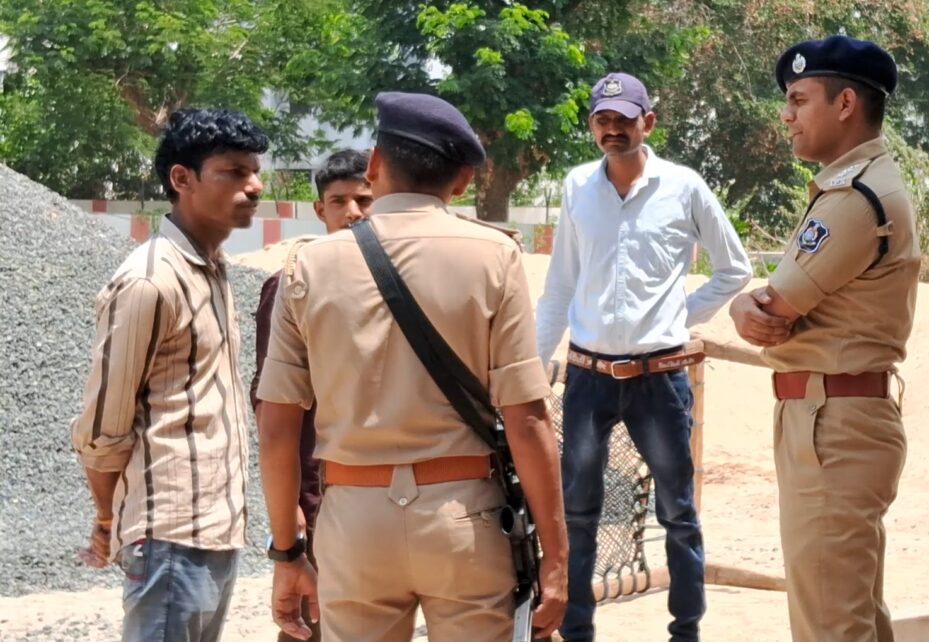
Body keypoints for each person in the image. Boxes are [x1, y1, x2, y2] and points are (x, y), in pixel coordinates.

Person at [255, 92, 568, 641]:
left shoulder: (308, 265)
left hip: (353, 519)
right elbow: (527, 419)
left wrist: (287, 551)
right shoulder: (494, 255)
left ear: (375, 164)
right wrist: (558, 558)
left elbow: (277, 425)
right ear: (463, 180)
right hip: (464, 517)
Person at [535, 72, 753, 642]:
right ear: (592, 126)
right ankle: (577, 632)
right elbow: (560, 286)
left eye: (624, 120)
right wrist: (533, 367)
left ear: (647, 123)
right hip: (588, 375)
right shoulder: (577, 186)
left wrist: (680, 317)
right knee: (577, 512)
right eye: (602, 120)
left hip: (659, 378)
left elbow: (735, 268)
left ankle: (686, 632)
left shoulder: (683, 187)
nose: (613, 129)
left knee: (677, 513)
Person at [728, 35, 920, 641]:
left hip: (832, 419)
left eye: (798, 99)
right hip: (834, 413)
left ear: (845, 105)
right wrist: (747, 303)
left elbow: (776, 308)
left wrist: (743, 305)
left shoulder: (854, 198)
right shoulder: (856, 186)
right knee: (851, 615)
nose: (786, 115)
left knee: (830, 624)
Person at [70, 108, 269, 642]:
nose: (254, 186)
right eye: (234, 171)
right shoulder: (149, 280)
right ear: (182, 179)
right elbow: (103, 427)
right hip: (170, 537)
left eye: (255, 171)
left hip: (215, 531)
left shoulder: (212, 269)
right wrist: (107, 518)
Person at [249, 148, 374, 642]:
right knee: (311, 624)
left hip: (380, 495)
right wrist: (292, 506)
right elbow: (272, 408)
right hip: (320, 493)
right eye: (339, 201)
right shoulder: (290, 286)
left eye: (364, 199)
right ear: (320, 210)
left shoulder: (399, 286)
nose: (353, 212)